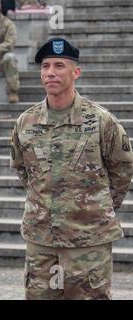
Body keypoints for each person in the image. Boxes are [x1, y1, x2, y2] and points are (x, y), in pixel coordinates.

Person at [10, 38, 133, 300]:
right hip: (41, 239)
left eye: (59, 66)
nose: (50, 72)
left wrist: (95, 208)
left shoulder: (100, 120)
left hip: (87, 242)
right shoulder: (26, 121)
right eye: (45, 66)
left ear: (76, 72)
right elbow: (23, 170)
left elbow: (122, 168)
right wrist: (45, 202)